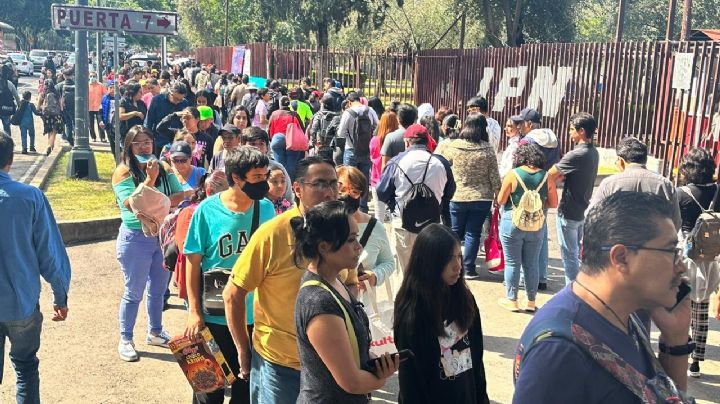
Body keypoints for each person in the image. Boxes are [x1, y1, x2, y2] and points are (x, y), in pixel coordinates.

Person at [513, 192, 693, 404]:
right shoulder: (558, 351)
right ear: (621, 258)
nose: (681, 266)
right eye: (672, 251)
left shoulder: (620, 314)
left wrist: (676, 338)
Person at [222, 156, 338, 403]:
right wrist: (243, 351)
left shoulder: (340, 231)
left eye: (333, 184)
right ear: (297, 188)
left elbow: (348, 283)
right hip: (280, 365)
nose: (329, 192)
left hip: (329, 361)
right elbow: (233, 294)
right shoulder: (272, 234)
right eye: (319, 184)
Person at [184, 146, 276, 404]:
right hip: (214, 316)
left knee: (246, 388)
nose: (264, 182)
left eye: (265, 175)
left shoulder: (266, 209)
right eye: (257, 177)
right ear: (237, 178)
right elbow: (192, 262)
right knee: (208, 389)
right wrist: (194, 311)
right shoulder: (206, 211)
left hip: (253, 316)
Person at [292, 200, 400, 403]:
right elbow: (352, 382)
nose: (359, 247)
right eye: (351, 240)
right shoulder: (319, 302)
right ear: (323, 246)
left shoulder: (335, 281)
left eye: (357, 238)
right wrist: (381, 378)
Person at [0, 132, 71, 403]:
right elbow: (49, 254)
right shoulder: (30, 197)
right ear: (11, 159)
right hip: (22, 302)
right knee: (26, 367)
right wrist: (60, 296)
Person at [111, 126, 185, 362]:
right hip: (135, 238)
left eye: (147, 142)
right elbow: (132, 205)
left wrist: (155, 203)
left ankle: (155, 331)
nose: (144, 147)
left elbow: (179, 195)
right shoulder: (123, 172)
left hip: (162, 236)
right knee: (134, 291)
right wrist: (150, 182)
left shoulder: (163, 166)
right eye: (138, 143)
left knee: (158, 289)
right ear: (129, 146)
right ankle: (126, 338)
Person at [394, 223, 489, 404]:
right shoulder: (413, 312)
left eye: (459, 256)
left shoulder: (464, 299)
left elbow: (476, 359)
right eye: (448, 258)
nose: (457, 265)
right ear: (429, 262)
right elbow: (410, 382)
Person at [376, 124, 454, 273]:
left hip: (403, 224)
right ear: (427, 141)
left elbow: (381, 192)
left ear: (407, 142)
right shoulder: (441, 163)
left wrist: (394, 203)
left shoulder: (396, 162)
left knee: (405, 272)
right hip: (433, 225)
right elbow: (450, 192)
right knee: (429, 272)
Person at [438, 114, 501, 279]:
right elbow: (494, 176)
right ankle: (469, 268)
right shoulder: (487, 149)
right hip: (482, 198)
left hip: (457, 196)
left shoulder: (455, 146)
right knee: (473, 233)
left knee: (455, 232)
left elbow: (442, 164)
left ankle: (448, 265)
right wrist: (498, 195)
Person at [496, 144, 558, 312]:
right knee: (531, 264)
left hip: (512, 222)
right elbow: (553, 203)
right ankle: (531, 301)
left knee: (512, 262)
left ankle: (512, 300)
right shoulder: (547, 177)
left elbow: (501, 200)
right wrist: (536, 204)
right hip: (536, 225)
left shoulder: (513, 174)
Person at [676, 148, 720, 378]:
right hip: (711, 258)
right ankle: (696, 363)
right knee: (701, 311)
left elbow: (674, 224)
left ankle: (682, 350)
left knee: (682, 306)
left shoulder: (681, 193)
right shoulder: (717, 190)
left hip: (686, 257)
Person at [548, 112, 599, 285]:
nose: (570, 133)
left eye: (572, 129)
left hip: (568, 211)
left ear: (582, 131)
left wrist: (550, 195)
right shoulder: (593, 152)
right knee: (575, 254)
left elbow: (550, 175)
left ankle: (573, 293)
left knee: (569, 255)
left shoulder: (576, 154)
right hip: (581, 210)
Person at [337, 166, 395, 295]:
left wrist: (375, 275)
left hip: (365, 307)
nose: (347, 195)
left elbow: (389, 262)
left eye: (354, 191)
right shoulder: (327, 226)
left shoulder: (375, 226)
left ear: (361, 193)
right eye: (342, 190)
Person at [173, 170, 229, 304]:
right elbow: (186, 250)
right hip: (198, 283)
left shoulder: (227, 213)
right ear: (209, 191)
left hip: (221, 281)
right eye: (227, 194)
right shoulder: (189, 213)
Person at [338, 92, 379, 211]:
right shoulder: (370, 110)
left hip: (351, 150)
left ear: (349, 102)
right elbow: (377, 126)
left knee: (348, 179)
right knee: (364, 179)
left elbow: (340, 133)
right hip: (366, 151)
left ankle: (349, 206)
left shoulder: (348, 112)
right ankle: (363, 207)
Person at [144, 81, 189, 151]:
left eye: (181, 99)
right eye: (176, 99)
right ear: (170, 93)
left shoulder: (184, 103)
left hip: (177, 141)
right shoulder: (157, 100)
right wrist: (148, 139)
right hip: (159, 140)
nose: (178, 101)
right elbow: (149, 121)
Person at [370, 111, 398, 223]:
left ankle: (379, 239)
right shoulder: (396, 140)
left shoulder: (374, 140)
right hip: (394, 181)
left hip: (377, 180)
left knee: (379, 215)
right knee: (395, 215)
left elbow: (372, 158)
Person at [268, 96, 304, 179]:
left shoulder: (274, 114)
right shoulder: (294, 115)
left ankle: (280, 181)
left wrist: (271, 140)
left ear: (280, 104)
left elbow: (269, 130)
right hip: (292, 141)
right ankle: (290, 184)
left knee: (279, 165)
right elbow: (302, 129)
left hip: (277, 139)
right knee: (291, 165)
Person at [380, 104, 417, 170]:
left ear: (398, 119)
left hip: (395, 177)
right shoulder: (420, 136)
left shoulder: (390, 138)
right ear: (414, 119)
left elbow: (384, 166)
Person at [308, 93, 342, 165]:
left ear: (323, 104)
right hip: (333, 146)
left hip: (321, 145)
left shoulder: (318, 115)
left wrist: (313, 143)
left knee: (321, 166)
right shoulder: (337, 116)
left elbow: (313, 130)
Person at [38, 79, 64, 156]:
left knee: (49, 130)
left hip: (46, 114)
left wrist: (40, 110)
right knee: (54, 130)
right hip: (56, 113)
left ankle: (49, 145)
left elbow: (39, 105)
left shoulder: (43, 93)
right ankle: (50, 145)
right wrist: (61, 111)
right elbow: (60, 104)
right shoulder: (56, 93)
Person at [118, 81, 148, 146]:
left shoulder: (141, 103)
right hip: (127, 134)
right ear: (133, 92)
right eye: (140, 92)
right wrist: (135, 113)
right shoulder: (124, 101)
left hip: (139, 134)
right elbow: (121, 116)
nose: (142, 94)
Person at [0, 64, 20, 137]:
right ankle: (7, 144)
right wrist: (19, 107)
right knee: (7, 128)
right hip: (6, 109)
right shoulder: (9, 84)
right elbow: (17, 97)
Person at [58, 68, 76, 146]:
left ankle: (69, 139)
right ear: (72, 75)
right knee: (76, 123)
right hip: (76, 108)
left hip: (64, 108)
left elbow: (57, 96)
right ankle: (77, 137)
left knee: (68, 124)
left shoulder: (60, 85)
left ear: (64, 76)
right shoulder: (77, 84)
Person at [88, 71, 107, 142]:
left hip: (99, 107)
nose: (92, 78)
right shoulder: (87, 85)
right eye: (91, 76)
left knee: (100, 123)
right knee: (90, 123)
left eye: (94, 76)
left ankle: (102, 137)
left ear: (96, 77)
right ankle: (93, 137)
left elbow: (105, 95)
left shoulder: (101, 85)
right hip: (89, 107)